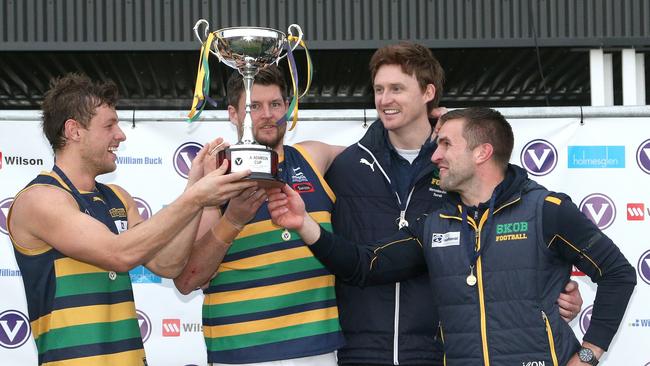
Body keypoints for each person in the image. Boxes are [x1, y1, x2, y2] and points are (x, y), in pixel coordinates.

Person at [266, 107, 637, 366]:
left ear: (482, 152)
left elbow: (618, 273)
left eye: (445, 145)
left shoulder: (547, 210)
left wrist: (587, 356)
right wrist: (305, 226)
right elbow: (366, 265)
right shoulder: (434, 223)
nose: (435, 156)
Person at [322, 42, 583, 365]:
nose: (384, 100)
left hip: (442, 353)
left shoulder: (460, 169)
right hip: (359, 353)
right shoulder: (344, 166)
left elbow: (507, 244)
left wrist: (554, 289)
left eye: (396, 89)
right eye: (378, 89)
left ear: (428, 92)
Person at [7, 73, 256, 365]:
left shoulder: (118, 197)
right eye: (109, 125)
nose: (121, 135)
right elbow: (118, 253)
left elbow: (168, 264)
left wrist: (193, 192)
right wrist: (196, 198)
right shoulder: (39, 199)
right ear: (74, 131)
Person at [173, 65, 346, 366]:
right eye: (254, 106)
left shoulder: (312, 157)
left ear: (287, 108)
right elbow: (187, 279)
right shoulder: (216, 178)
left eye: (275, 104)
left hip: (314, 351)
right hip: (240, 353)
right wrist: (232, 220)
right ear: (233, 114)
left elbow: (378, 155)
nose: (267, 114)